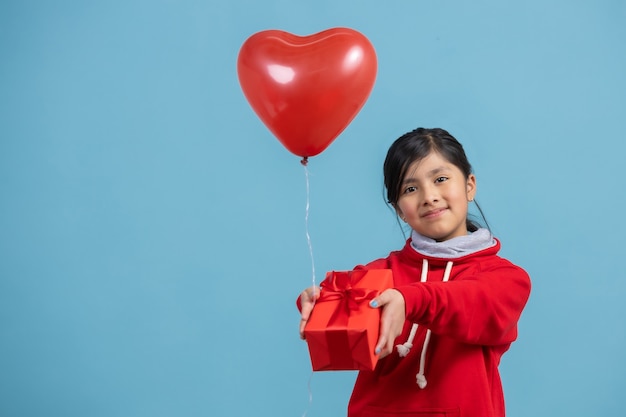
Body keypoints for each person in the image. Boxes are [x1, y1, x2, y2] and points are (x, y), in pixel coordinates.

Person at [297, 127, 531, 417]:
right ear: (398, 209)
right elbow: (339, 299)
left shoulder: (506, 279)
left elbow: (474, 301)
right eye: (410, 188)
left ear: (469, 185)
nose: (429, 196)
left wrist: (409, 300)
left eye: (441, 179)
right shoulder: (381, 274)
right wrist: (318, 303)